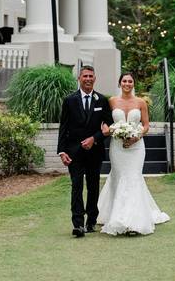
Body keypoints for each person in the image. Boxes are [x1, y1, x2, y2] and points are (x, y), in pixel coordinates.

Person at [96, 72, 170, 235]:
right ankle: (116, 215)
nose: (127, 83)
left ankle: (134, 219)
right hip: (117, 147)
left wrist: (136, 136)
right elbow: (106, 123)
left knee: (134, 177)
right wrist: (109, 130)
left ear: (133, 84)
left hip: (137, 147)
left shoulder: (141, 102)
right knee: (118, 176)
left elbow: (146, 125)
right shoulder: (112, 101)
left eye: (130, 81)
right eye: (124, 81)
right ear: (119, 83)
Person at [57, 65, 113, 237]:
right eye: (85, 76)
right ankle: (78, 224)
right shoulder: (69, 100)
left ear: (95, 79)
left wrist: (94, 139)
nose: (88, 79)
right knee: (76, 186)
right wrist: (61, 151)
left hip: (94, 151)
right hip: (74, 152)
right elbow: (63, 127)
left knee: (93, 186)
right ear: (79, 79)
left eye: (91, 76)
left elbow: (108, 126)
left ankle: (91, 221)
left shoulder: (102, 100)